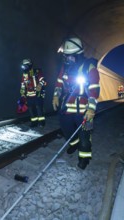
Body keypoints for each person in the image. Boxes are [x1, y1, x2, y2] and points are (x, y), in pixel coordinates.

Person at [52, 37, 100, 170]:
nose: (67, 59)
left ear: (78, 55)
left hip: (84, 109)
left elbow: (94, 90)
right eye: (65, 56)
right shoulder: (65, 67)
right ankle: (73, 143)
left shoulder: (89, 68)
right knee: (65, 128)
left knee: (85, 136)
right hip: (67, 106)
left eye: (69, 56)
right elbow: (59, 82)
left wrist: (91, 109)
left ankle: (84, 157)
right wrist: (56, 96)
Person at [20, 58, 46, 127]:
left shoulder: (37, 71)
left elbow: (43, 80)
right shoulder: (24, 75)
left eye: (26, 65)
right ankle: (34, 123)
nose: (24, 67)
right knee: (31, 110)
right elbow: (23, 85)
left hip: (37, 94)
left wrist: (40, 85)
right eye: (23, 66)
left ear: (30, 65)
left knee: (39, 109)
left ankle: (41, 122)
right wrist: (22, 94)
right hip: (29, 96)